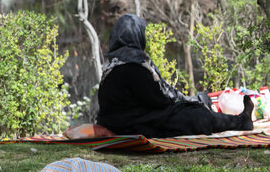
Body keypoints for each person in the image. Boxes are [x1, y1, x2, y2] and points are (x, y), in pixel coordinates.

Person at [96, 14, 254, 138]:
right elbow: (159, 100)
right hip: (135, 124)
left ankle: (237, 119)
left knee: (193, 106)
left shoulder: (112, 64)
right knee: (198, 115)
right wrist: (187, 104)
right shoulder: (133, 65)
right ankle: (241, 121)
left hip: (118, 121)